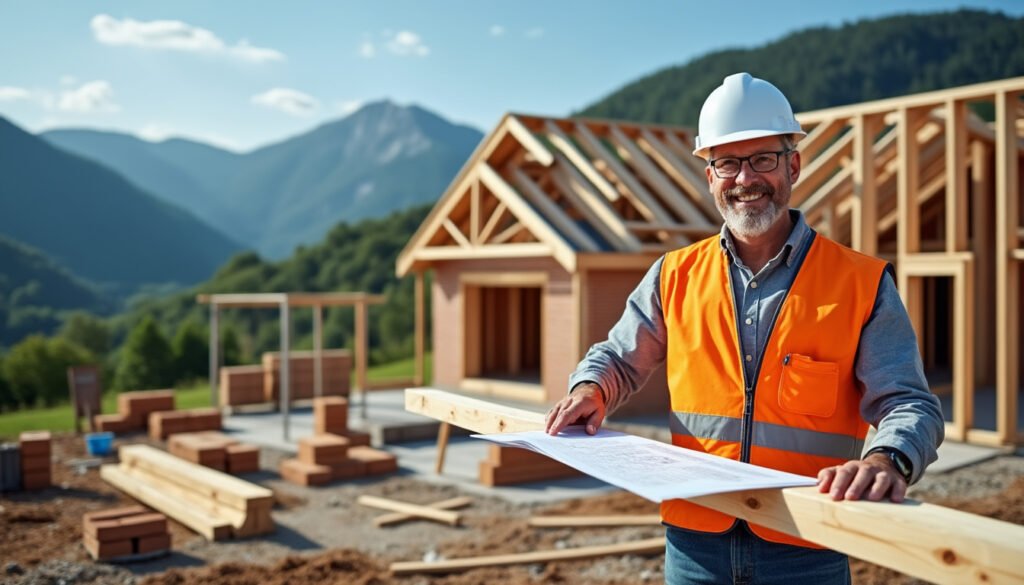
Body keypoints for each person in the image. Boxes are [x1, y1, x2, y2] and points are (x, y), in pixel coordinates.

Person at [544, 72, 944, 584]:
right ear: (709, 176)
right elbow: (619, 358)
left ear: (793, 164)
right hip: (695, 545)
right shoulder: (674, 275)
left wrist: (888, 460)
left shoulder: (861, 283)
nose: (744, 179)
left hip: (806, 544)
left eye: (762, 160)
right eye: (727, 163)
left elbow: (910, 403)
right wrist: (590, 389)